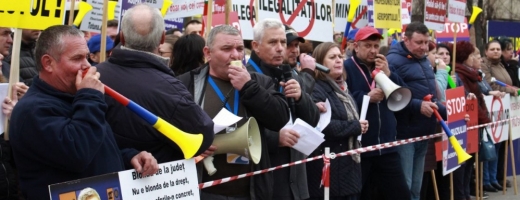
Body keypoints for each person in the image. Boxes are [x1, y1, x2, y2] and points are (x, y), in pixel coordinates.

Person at [9, 25, 159, 200]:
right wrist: (90, 96)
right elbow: (78, 153)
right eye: (77, 58)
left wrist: (129, 157)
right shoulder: (32, 111)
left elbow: (96, 146)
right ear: (48, 63)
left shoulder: (74, 96)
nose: (87, 66)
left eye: (87, 57)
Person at [178, 25, 290, 200]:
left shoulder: (260, 82)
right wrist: (192, 145)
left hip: (251, 191)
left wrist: (249, 87)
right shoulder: (186, 83)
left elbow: (279, 119)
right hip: (204, 190)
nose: (236, 55)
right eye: (226, 49)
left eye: (239, 49)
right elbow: (170, 130)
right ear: (208, 53)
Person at [96, 4, 214, 163]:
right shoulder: (170, 89)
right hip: (153, 181)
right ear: (162, 38)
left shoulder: (92, 75)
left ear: (122, 37)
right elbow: (203, 136)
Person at [246, 19, 319, 200]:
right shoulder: (246, 78)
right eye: (273, 42)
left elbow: (313, 119)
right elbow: (241, 127)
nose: (280, 48)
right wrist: (274, 138)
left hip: (296, 176)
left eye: (283, 42)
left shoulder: (288, 74)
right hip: (266, 177)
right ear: (256, 46)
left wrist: (301, 98)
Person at [343, 26, 411, 200]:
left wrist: (388, 74)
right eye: (368, 45)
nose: (373, 50)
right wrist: (365, 97)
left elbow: (402, 94)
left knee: (401, 194)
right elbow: (342, 99)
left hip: (386, 145)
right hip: (362, 147)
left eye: (376, 45)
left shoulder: (383, 67)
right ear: (356, 46)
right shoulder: (346, 68)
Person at [386, 22, 447, 200]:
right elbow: (394, 96)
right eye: (419, 42)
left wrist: (449, 113)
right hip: (405, 133)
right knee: (405, 187)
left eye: (426, 42)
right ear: (405, 39)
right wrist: (418, 105)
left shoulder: (424, 60)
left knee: (416, 187)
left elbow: (431, 96)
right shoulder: (393, 61)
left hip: (423, 131)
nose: (424, 47)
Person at [308, 42, 368, 199]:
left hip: (349, 167)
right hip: (331, 169)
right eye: (332, 57)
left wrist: (360, 126)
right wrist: (355, 126)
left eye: (340, 56)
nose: (339, 60)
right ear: (320, 63)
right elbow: (324, 126)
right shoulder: (316, 89)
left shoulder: (344, 89)